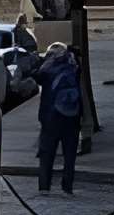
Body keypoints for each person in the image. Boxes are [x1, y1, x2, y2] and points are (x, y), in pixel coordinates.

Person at [35, 41, 84, 195]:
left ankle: (44, 187)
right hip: (72, 116)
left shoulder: (47, 69)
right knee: (69, 156)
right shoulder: (74, 67)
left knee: (46, 154)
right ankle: (67, 187)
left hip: (51, 117)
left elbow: (36, 76)